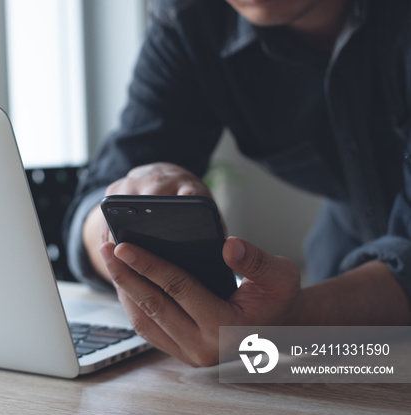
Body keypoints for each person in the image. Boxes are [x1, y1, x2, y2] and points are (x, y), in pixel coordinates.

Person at [63, 0, 411, 367]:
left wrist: (291, 321)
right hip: (347, 286)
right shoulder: (192, 16)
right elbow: (97, 197)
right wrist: (116, 223)